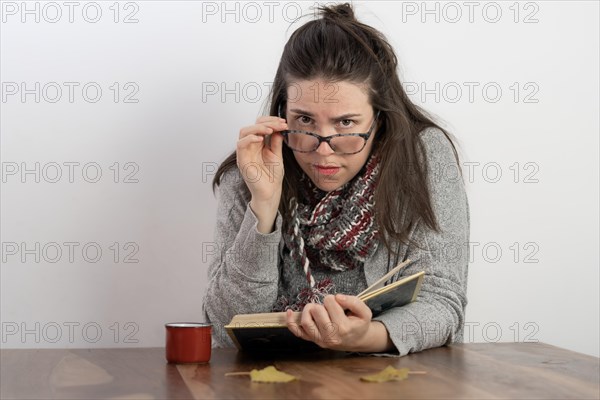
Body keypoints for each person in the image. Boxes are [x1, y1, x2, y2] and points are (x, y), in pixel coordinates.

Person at [203, 3, 469, 355]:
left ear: (380, 117)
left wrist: (364, 337)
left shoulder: (422, 157)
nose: (323, 151)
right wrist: (263, 210)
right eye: (305, 121)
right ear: (283, 112)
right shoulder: (251, 171)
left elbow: (442, 303)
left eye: (345, 123)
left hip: (391, 381)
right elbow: (225, 328)